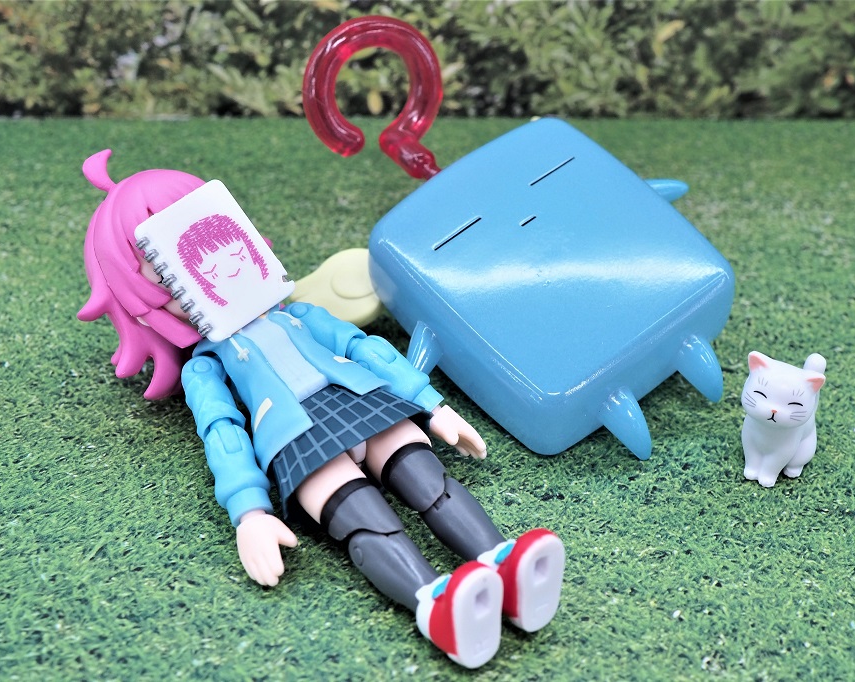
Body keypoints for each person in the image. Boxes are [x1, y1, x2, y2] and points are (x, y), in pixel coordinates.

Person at [78, 150, 564, 668]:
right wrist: (249, 512)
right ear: (145, 300)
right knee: (364, 518)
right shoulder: (206, 367)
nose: (219, 269)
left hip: (361, 397)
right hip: (293, 435)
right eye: (167, 272)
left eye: (220, 243)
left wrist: (429, 404)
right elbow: (223, 431)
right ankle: (435, 604)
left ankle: (502, 563)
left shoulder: (301, 315)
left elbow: (364, 348)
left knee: (428, 479)